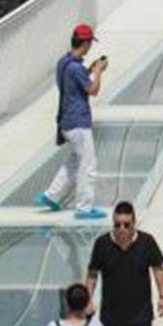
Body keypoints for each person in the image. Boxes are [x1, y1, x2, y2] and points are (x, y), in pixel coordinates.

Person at [38, 24, 107, 220]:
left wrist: (90, 69)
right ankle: (84, 208)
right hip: (79, 122)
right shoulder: (76, 68)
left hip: (66, 121)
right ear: (85, 43)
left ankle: (52, 195)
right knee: (88, 165)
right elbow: (93, 90)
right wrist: (99, 72)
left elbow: (74, 84)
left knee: (75, 160)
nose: (90, 47)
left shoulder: (64, 62)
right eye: (89, 43)